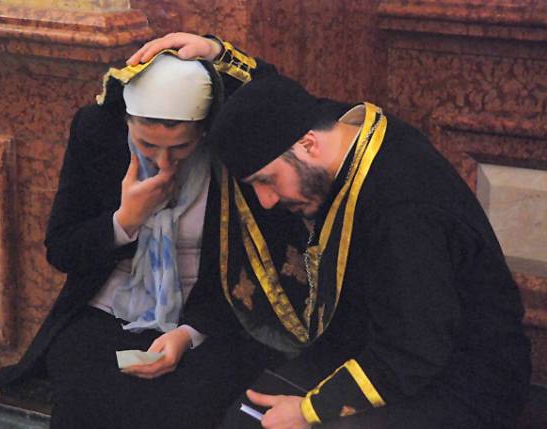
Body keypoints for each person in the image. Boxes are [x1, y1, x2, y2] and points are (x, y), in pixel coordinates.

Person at [132, 34, 532, 429]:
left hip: (464, 377)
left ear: (309, 146)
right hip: (373, 345)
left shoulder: (403, 211)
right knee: (245, 420)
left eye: (267, 181)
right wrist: (218, 53)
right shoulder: (334, 129)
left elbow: (415, 349)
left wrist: (310, 410)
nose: (266, 201)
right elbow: (272, 99)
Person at [0, 37, 308, 429]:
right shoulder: (96, 132)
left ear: (204, 133)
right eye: (146, 145)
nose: (162, 161)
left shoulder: (228, 151)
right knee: (90, 397)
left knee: (183, 405)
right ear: (126, 123)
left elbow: (284, 98)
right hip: (108, 309)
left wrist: (189, 334)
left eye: (180, 147)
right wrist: (125, 220)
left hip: (210, 314)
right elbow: (62, 249)